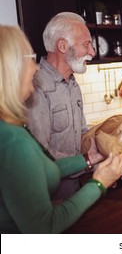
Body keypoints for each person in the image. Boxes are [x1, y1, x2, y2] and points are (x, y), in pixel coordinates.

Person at [0, 25, 122, 233]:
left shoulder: (72, 85)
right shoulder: (13, 138)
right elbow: (43, 228)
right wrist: (99, 183)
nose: (35, 68)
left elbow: (36, 169)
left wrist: (90, 158)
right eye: (29, 59)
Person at [26, 12, 95, 200]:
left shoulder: (72, 84)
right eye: (86, 44)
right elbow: (41, 155)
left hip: (78, 192)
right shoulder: (35, 87)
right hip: (52, 200)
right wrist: (89, 161)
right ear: (62, 46)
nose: (92, 52)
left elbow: (82, 133)